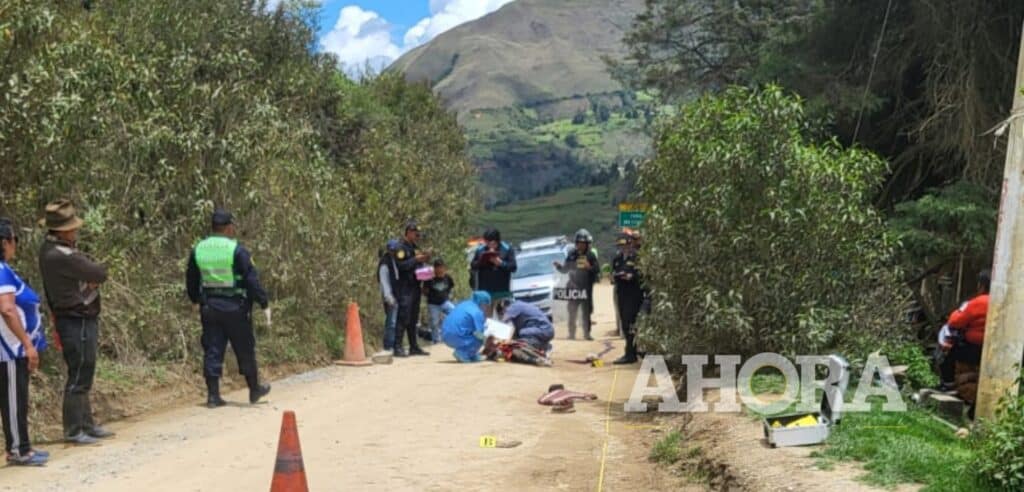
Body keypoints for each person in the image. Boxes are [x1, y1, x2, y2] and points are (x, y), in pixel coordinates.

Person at [38, 199, 113, 444]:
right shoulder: (62, 255)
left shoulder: (50, 250)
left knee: (83, 371)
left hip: (73, 316)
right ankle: (74, 429)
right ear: (63, 231)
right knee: (80, 373)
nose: (75, 231)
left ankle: (86, 424)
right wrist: (91, 278)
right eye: (72, 228)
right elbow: (98, 272)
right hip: (75, 318)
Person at [186, 209, 271, 408]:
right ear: (229, 227)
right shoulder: (236, 250)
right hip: (235, 307)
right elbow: (251, 279)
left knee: (212, 348)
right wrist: (263, 301)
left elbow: (191, 278)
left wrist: (195, 299)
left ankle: (213, 396)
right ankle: (254, 389)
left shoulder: (199, 249)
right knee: (244, 347)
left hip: (209, 307)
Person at [0, 219, 49, 466]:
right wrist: (27, 344)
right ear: (5, 242)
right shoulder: (1, 272)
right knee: (13, 400)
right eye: (14, 240)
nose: (15, 245)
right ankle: (18, 450)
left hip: (13, 348)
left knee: (17, 398)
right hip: (9, 349)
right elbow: (7, 309)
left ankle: (22, 446)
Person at [943, 269, 989, 409]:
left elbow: (955, 322)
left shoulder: (978, 302)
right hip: (991, 351)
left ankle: (948, 385)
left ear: (981, 286)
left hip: (971, 348)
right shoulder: (1007, 304)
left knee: (948, 358)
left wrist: (958, 312)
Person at [394, 221, 430, 357]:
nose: (417, 236)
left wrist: (424, 261)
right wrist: (415, 259)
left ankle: (413, 346)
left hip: (416, 286)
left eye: (418, 234)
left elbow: (418, 266)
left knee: (413, 318)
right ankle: (397, 347)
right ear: (408, 233)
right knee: (403, 316)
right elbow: (401, 266)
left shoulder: (415, 248)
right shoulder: (401, 248)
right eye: (415, 234)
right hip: (405, 287)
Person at [555, 229, 599, 340]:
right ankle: (571, 333)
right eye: (579, 243)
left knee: (586, 311)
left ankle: (587, 334)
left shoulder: (591, 255)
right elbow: (565, 269)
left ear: (587, 244)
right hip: (573, 286)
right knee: (572, 311)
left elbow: (597, 270)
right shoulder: (571, 254)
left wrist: (589, 267)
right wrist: (559, 267)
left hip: (586, 288)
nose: (581, 245)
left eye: (583, 243)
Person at [470, 228, 517, 317]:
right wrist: (481, 261)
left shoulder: (507, 249)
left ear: (497, 241)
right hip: (485, 293)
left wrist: (501, 263)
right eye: (486, 242)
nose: (489, 245)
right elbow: (473, 265)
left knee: (505, 319)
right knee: (486, 320)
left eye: (491, 243)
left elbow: (513, 267)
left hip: (502, 292)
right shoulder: (480, 250)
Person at [612, 233, 643, 364]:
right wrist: (616, 276)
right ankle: (631, 352)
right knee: (624, 323)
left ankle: (631, 353)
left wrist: (632, 276)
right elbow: (614, 272)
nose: (623, 248)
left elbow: (642, 274)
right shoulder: (617, 259)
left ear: (630, 244)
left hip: (633, 294)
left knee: (631, 323)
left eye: (625, 245)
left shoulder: (637, 258)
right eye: (620, 246)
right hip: (621, 294)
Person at [441, 291, 491, 363]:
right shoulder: (477, 312)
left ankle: (471, 354)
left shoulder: (464, 304)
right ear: (482, 303)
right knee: (479, 338)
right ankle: (462, 353)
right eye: (486, 305)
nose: (486, 308)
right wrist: (488, 342)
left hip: (445, 334)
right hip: (456, 336)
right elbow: (480, 334)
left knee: (473, 332)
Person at [423, 258, 455, 345]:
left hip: (445, 301)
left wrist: (448, 296)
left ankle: (451, 335)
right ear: (434, 268)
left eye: (441, 267)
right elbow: (425, 291)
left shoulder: (447, 277)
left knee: (455, 313)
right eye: (437, 267)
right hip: (433, 303)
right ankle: (436, 340)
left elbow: (451, 287)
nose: (439, 269)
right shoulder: (429, 278)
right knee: (434, 322)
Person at [378, 240, 400, 353]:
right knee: (391, 322)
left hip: (396, 294)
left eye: (395, 250)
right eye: (392, 250)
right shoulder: (385, 264)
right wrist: (389, 297)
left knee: (395, 321)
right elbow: (384, 282)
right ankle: (388, 345)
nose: (394, 252)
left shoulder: (395, 261)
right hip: (390, 296)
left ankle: (394, 344)